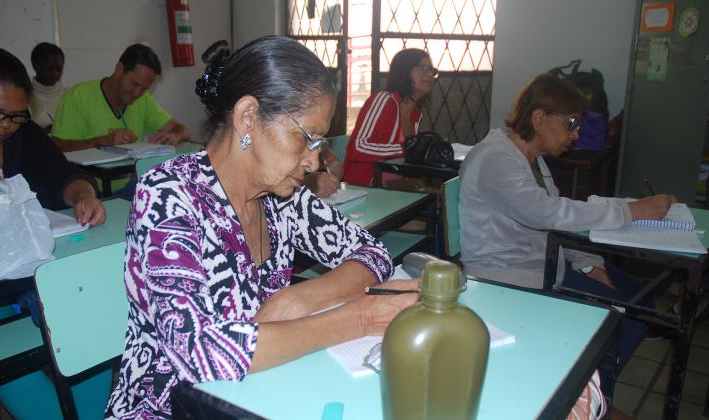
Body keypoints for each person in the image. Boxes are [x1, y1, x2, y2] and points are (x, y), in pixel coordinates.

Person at [105, 36, 418, 419]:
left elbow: (373, 254)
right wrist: (361, 318)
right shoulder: (169, 194)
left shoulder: (281, 196)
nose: (315, 162)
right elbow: (200, 352)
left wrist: (299, 299)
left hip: (260, 390)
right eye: (308, 139)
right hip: (170, 405)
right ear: (248, 117)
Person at [458, 73, 675, 392]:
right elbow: (547, 213)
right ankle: (586, 397)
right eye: (571, 123)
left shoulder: (531, 159)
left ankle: (592, 391)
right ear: (539, 117)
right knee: (627, 318)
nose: (575, 135)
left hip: (541, 264)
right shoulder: (495, 157)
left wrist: (587, 261)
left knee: (639, 296)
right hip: (508, 276)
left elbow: (556, 214)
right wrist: (632, 210)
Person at [0, 47, 105, 227]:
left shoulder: (25, 134)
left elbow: (64, 174)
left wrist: (84, 197)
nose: (5, 124)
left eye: (16, 115)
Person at [51, 43, 190, 151]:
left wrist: (174, 136)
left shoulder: (143, 99)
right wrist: (104, 141)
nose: (137, 93)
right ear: (119, 69)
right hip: (88, 184)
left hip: (128, 181)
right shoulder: (78, 98)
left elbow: (182, 130)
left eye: (144, 88)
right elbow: (58, 148)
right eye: (134, 84)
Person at [343, 48, 436, 187]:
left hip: (393, 185)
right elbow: (357, 148)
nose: (429, 74)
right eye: (422, 67)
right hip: (365, 187)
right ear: (404, 71)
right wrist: (404, 149)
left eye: (432, 70)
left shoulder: (415, 114)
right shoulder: (383, 100)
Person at [29, 42, 65, 130]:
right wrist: (44, 132)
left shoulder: (70, 95)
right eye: (49, 68)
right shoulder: (25, 96)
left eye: (59, 68)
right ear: (35, 66)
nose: (54, 73)